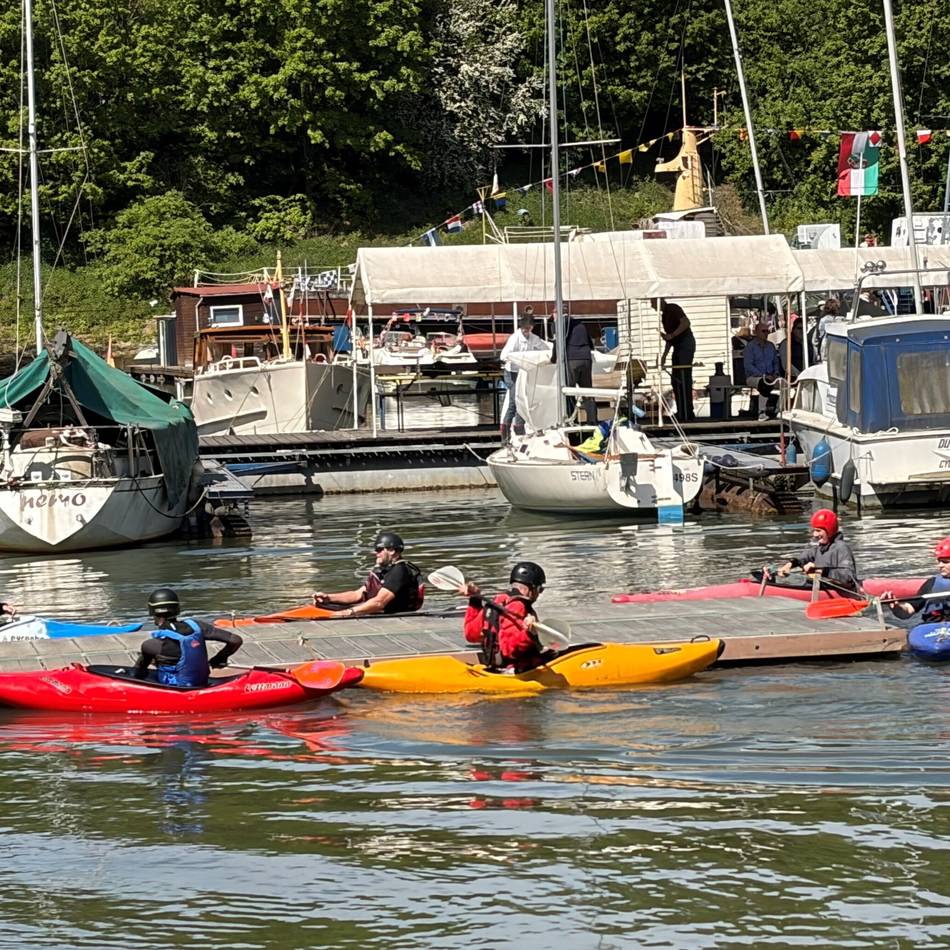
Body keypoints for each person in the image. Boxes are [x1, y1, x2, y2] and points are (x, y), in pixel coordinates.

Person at [135, 588, 243, 687]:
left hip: (178, 688)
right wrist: (219, 658)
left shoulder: (150, 645)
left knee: (145, 662)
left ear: (152, 612)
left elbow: (139, 674)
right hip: (202, 681)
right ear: (177, 608)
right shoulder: (197, 626)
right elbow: (235, 640)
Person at [461, 561, 552, 672]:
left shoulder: (497, 601)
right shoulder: (518, 606)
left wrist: (475, 601)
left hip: (494, 666)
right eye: (539, 590)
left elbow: (471, 634)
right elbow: (508, 649)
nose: (539, 594)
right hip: (518, 670)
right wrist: (529, 633)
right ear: (531, 588)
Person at [312, 530, 422, 617]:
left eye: (379, 549)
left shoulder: (399, 571)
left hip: (394, 616)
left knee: (335, 612)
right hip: (377, 612)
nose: (376, 553)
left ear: (392, 550)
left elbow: (379, 603)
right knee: (320, 605)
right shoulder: (383, 570)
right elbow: (357, 595)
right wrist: (329, 598)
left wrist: (347, 613)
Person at [776, 509, 860, 593]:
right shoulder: (820, 549)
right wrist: (789, 564)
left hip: (839, 591)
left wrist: (821, 571)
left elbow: (848, 577)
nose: (815, 534)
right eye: (814, 530)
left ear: (830, 530)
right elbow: (802, 558)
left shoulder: (841, 548)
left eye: (818, 531)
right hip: (821, 586)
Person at [499, 309, 549, 440]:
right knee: (514, 402)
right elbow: (503, 355)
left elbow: (545, 347)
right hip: (512, 373)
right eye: (524, 328)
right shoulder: (514, 338)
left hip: (523, 373)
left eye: (529, 328)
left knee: (524, 399)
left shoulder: (534, 338)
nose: (526, 331)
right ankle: (505, 433)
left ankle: (519, 429)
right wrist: (516, 359)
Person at [881, 537, 950, 623]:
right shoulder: (931, 583)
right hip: (934, 630)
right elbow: (907, 612)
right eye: (939, 561)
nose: (940, 565)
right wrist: (896, 607)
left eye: (945, 562)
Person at [550, 312, 597, 425]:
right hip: (586, 359)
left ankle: (571, 420)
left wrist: (553, 358)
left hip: (572, 359)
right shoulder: (580, 324)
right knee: (587, 391)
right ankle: (592, 421)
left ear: (555, 314)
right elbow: (591, 344)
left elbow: (557, 343)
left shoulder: (558, 324)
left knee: (569, 391)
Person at [655, 299, 696, 423]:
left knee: (684, 377)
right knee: (676, 379)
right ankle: (682, 411)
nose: (652, 306)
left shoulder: (673, 308)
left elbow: (685, 323)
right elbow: (669, 338)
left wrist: (672, 335)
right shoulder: (664, 316)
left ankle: (688, 412)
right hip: (677, 346)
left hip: (685, 344)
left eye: (653, 303)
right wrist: (664, 357)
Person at [743, 323, 783, 419]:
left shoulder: (771, 346)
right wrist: (763, 375)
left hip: (771, 376)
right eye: (763, 331)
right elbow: (748, 365)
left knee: (785, 384)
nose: (766, 333)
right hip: (754, 377)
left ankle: (779, 410)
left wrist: (776, 373)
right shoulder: (750, 347)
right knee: (764, 383)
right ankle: (761, 412)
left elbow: (775, 363)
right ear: (756, 332)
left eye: (767, 331)